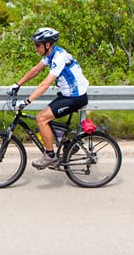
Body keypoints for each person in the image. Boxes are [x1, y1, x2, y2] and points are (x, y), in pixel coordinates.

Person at [10, 27, 90, 169]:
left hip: (75, 97)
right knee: (45, 118)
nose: (35, 48)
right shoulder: (51, 54)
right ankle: (68, 144)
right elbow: (36, 69)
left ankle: (50, 155)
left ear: (48, 44)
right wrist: (18, 84)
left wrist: (26, 101)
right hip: (67, 95)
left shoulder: (59, 57)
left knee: (41, 118)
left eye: (38, 45)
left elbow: (45, 84)